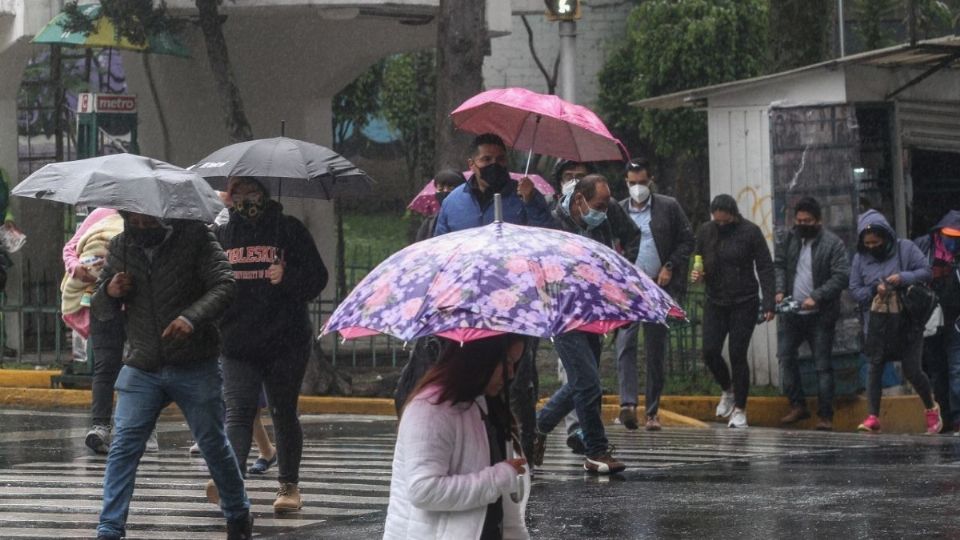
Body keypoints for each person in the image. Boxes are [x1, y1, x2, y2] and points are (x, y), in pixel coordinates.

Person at [91, 211, 251, 540]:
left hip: (194, 362)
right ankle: (109, 528)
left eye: (150, 222)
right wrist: (110, 290)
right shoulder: (121, 246)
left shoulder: (195, 237)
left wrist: (191, 318)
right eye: (135, 221)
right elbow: (99, 309)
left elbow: (225, 285)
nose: (143, 227)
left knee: (211, 442)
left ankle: (237, 513)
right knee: (124, 446)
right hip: (142, 364)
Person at [213, 176, 327, 513]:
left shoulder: (289, 230)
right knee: (238, 413)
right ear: (230, 198)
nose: (248, 199)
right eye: (240, 193)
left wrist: (287, 277)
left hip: (285, 340)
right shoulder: (222, 236)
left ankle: (288, 486)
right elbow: (206, 283)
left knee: (283, 411)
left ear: (266, 194)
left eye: (254, 192)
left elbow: (318, 278)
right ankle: (232, 484)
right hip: (237, 341)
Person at [384, 335, 530, 540]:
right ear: (481, 357)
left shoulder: (486, 405)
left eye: (515, 364)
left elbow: (504, 510)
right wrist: (498, 478)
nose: (512, 374)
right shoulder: (429, 409)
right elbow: (424, 490)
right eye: (506, 363)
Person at [533, 174, 632, 474]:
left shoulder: (600, 225)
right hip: (563, 311)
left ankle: (537, 426)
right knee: (589, 383)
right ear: (579, 200)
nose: (602, 211)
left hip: (592, 310)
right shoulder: (553, 223)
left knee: (581, 381)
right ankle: (596, 451)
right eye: (599, 205)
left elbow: (607, 261)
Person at [61, 208, 161, 454]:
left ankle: (146, 428)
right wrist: (77, 268)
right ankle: (100, 426)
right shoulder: (99, 216)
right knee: (106, 365)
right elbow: (70, 248)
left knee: (142, 366)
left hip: (141, 305)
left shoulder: (154, 219)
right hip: (103, 301)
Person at [615, 158, 694, 431]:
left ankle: (651, 411)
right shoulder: (618, 210)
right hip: (629, 289)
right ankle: (627, 405)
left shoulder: (668, 207)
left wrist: (670, 266)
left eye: (642, 182)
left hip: (657, 287)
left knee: (655, 349)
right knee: (625, 342)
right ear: (626, 183)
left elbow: (687, 240)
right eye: (632, 183)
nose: (637, 188)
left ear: (650, 181)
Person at [850, 210, 941, 434]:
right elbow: (855, 290)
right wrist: (874, 289)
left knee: (912, 370)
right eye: (867, 243)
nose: (872, 246)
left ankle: (931, 408)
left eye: (876, 242)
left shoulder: (906, 248)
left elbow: (927, 273)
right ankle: (872, 416)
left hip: (907, 323)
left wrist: (903, 278)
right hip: (878, 325)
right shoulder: (860, 259)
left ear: (886, 237)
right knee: (874, 366)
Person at [691, 194, 775, 429]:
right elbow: (698, 256)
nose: (721, 226)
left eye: (725, 222)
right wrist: (699, 273)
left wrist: (769, 301)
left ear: (734, 216)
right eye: (717, 222)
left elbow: (765, 266)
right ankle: (727, 388)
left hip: (744, 301)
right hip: (715, 300)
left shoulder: (750, 232)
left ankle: (740, 408)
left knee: (738, 353)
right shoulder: (706, 231)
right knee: (709, 350)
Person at [774, 197, 850, 431]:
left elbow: (841, 276)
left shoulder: (833, 244)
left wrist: (816, 296)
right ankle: (797, 405)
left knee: (822, 365)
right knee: (786, 357)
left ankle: (825, 415)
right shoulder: (791, 238)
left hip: (820, 315)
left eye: (807, 221)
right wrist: (779, 290)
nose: (802, 224)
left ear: (818, 221)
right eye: (798, 221)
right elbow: (780, 264)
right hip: (793, 312)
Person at [433, 133, 552, 235]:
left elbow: (545, 234)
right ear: (471, 164)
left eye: (500, 159)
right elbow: (441, 243)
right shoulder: (452, 202)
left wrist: (531, 202)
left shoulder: (526, 195)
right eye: (486, 159)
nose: (494, 164)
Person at [914, 210, 960, 434]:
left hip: (955, 320)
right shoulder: (923, 246)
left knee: (956, 368)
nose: (951, 240)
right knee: (936, 369)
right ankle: (945, 418)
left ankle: (957, 417)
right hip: (930, 318)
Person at [415, 170, 466, 242]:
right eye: (440, 188)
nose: (445, 191)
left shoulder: (471, 215)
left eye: (451, 188)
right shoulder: (430, 222)